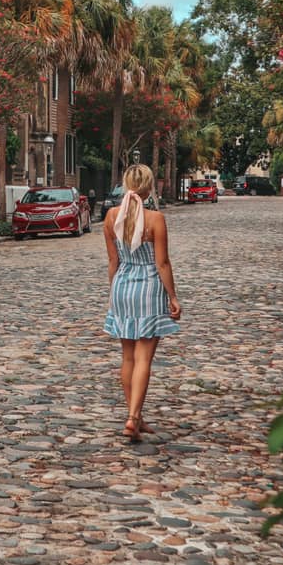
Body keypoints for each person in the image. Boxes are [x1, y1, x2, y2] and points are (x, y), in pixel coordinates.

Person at [103, 163, 181, 442]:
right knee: (144, 357)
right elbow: (162, 262)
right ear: (149, 189)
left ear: (126, 185)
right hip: (148, 287)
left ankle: (135, 416)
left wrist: (113, 295)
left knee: (127, 357)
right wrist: (172, 296)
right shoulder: (155, 219)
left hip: (122, 286)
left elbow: (113, 261)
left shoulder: (112, 216)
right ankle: (133, 418)